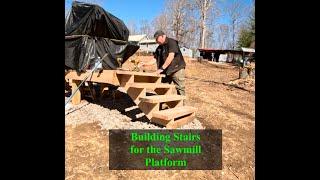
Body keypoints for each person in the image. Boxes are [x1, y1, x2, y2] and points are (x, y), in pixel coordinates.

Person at [145, 30, 186, 96]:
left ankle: (181, 105)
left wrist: (161, 69)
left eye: (157, 39)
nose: (156, 41)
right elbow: (154, 59)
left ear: (163, 36)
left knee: (180, 89)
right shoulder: (159, 48)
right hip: (167, 71)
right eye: (155, 40)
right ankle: (163, 105)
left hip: (177, 69)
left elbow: (170, 57)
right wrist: (145, 64)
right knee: (163, 89)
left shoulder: (171, 42)